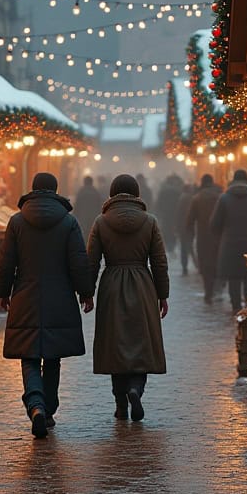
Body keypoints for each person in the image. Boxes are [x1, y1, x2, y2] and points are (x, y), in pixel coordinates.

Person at [0, 170, 94, 437]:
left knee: (28, 356)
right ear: (56, 189)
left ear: (33, 189)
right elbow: (78, 261)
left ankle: (36, 404)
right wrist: (85, 293)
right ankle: (48, 409)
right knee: (52, 358)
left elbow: (6, 262)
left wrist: (3, 292)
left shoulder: (17, 222)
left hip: (25, 294)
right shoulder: (68, 222)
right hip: (60, 296)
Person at [87, 174, 169, 421]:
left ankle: (121, 403)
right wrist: (162, 294)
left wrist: (87, 292)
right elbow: (159, 261)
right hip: (143, 284)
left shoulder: (101, 222)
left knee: (116, 344)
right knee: (140, 341)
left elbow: (91, 261)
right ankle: (136, 388)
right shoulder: (150, 221)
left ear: (111, 195)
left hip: (111, 283)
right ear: (137, 194)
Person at [210, 169, 247, 313]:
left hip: (229, 243)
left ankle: (235, 306)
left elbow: (214, 224)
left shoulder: (224, 198)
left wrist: (221, 237)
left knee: (233, 278)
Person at [186, 173, 223, 301]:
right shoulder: (219, 197)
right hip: (218, 236)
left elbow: (190, 220)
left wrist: (190, 235)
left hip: (203, 237)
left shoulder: (197, 198)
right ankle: (218, 289)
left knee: (205, 264)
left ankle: (208, 290)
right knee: (217, 261)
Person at [175, 179, 197, 275]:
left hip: (183, 226)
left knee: (185, 247)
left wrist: (177, 226)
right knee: (189, 246)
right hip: (188, 226)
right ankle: (195, 265)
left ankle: (186, 266)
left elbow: (178, 214)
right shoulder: (191, 198)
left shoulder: (182, 198)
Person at [73, 174, 103, 239]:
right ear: (92, 182)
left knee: (84, 235)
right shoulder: (96, 192)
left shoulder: (81, 191)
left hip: (83, 217)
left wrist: (75, 216)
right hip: (94, 217)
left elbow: (77, 205)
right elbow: (99, 206)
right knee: (92, 234)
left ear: (84, 182)